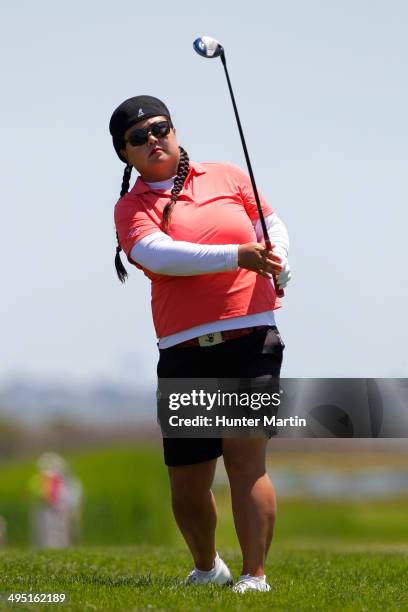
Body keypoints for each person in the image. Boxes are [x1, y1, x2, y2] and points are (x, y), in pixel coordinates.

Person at [109, 95, 291, 593]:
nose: (153, 140)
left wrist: (281, 262)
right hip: (186, 348)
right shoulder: (132, 208)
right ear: (124, 154)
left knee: (244, 459)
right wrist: (237, 256)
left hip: (251, 338)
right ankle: (209, 567)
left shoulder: (227, 175)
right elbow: (158, 254)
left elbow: (269, 225)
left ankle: (255, 576)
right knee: (188, 481)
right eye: (138, 138)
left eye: (160, 128)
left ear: (174, 128)